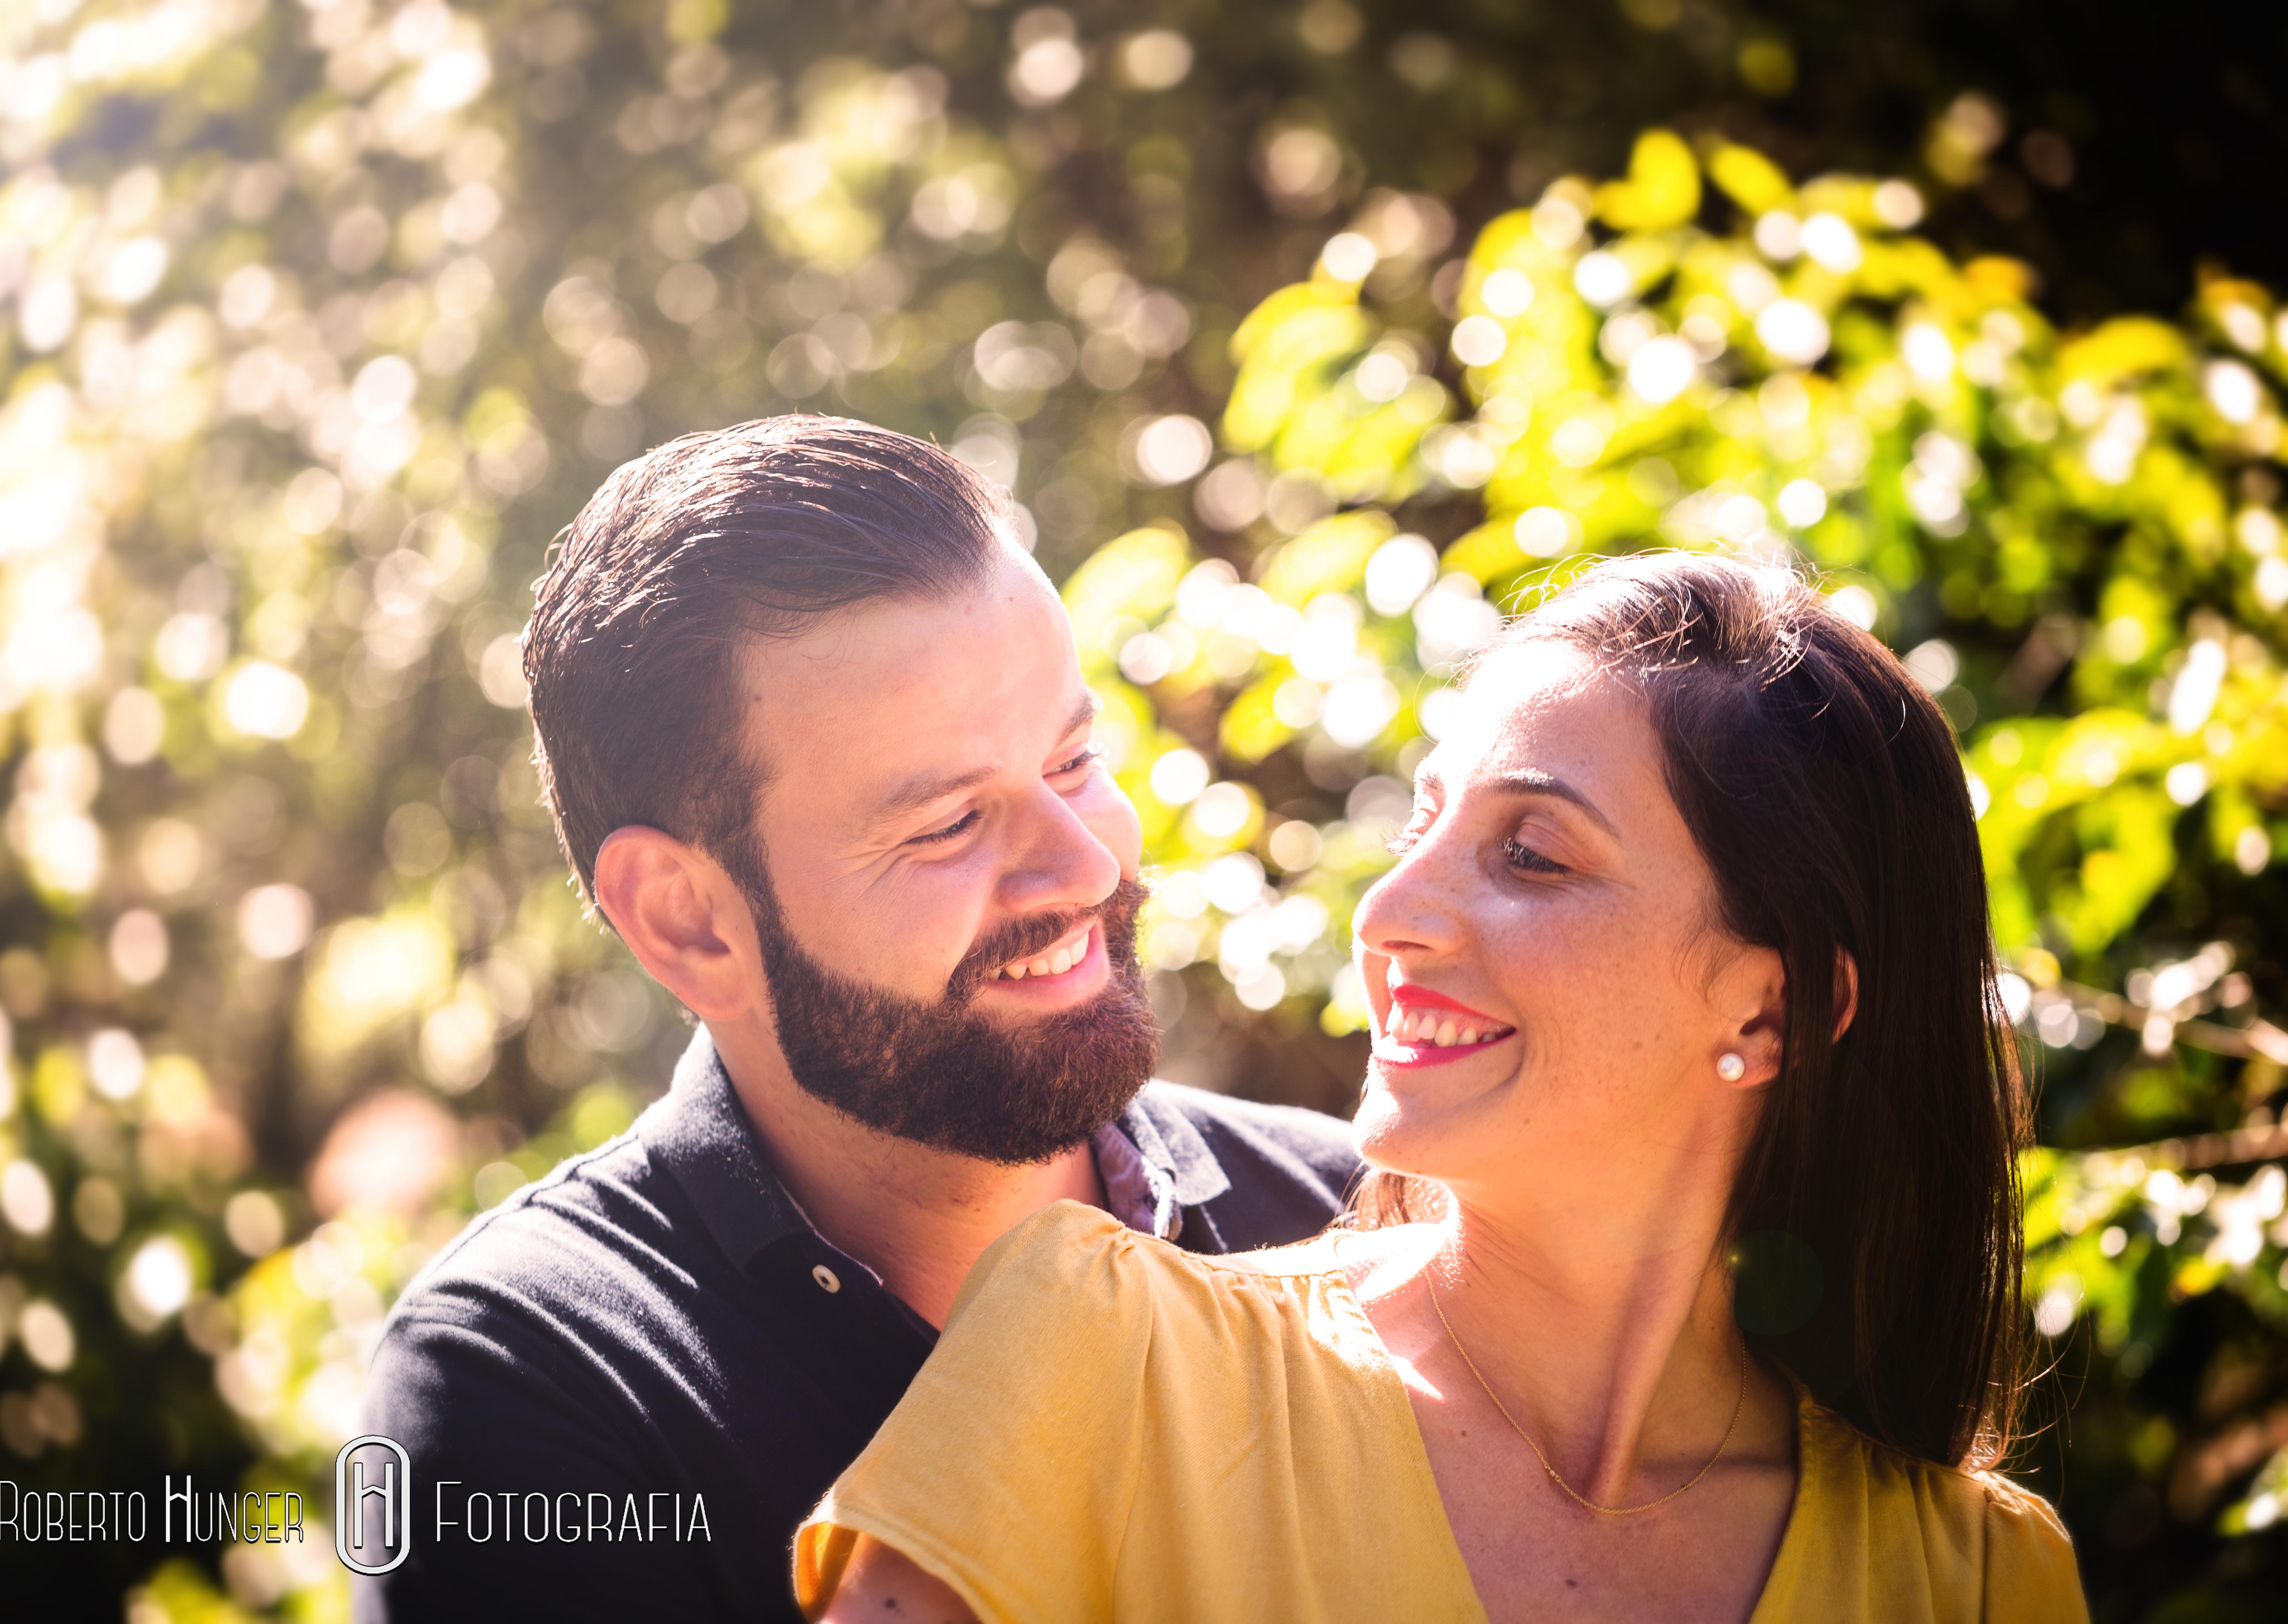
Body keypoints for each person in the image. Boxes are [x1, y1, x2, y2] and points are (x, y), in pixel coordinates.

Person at [799, 552, 2090, 1623]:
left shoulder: (1977, 1580)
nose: (1388, 912)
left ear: (1775, 1011)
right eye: (1421, 825)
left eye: (1531, 855)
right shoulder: (1106, 1363)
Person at [354, 418, 1359, 1621]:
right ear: (686, 921)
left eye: (1075, 761)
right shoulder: (531, 1395)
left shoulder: (1356, 1223)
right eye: (948, 825)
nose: (1086, 866)